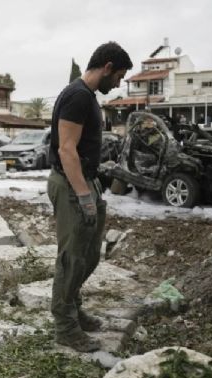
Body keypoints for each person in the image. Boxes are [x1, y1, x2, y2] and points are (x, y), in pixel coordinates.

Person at [48, 41, 132, 352]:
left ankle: (73, 308)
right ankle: (65, 326)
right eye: (119, 76)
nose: (119, 83)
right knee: (71, 259)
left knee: (89, 255)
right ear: (107, 67)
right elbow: (66, 149)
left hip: (85, 182)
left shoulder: (88, 97)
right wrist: (83, 196)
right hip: (72, 186)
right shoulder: (77, 96)